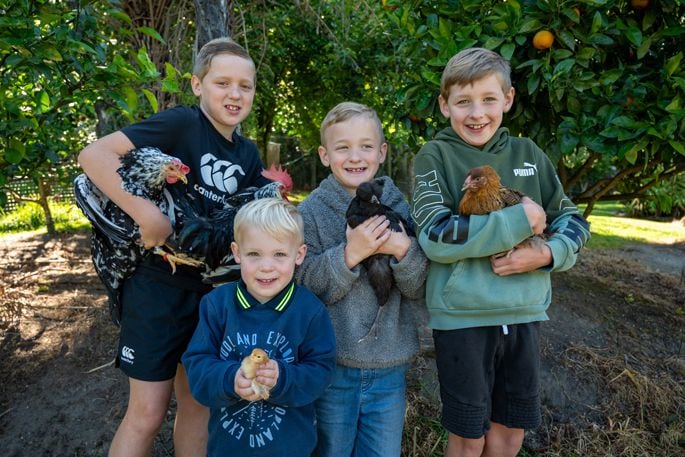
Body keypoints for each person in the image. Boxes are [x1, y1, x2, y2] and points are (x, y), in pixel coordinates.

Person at [78, 38, 271, 457]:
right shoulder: (183, 124)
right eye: (222, 83)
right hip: (156, 286)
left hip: (208, 294)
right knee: (147, 412)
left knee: (198, 404)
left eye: (246, 86)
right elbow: (94, 155)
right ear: (198, 85)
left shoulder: (248, 154)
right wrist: (146, 213)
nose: (235, 94)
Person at [410, 47, 591, 457]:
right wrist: (521, 222)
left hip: (524, 312)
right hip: (463, 317)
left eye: (489, 99)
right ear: (444, 105)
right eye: (463, 102)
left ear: (507, 99)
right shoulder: (434, 156)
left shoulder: (529, 155)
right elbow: (437, 236)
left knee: (509, 434)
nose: (477, 113)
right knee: (469, 437)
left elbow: (572, 220)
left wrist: (546, 255)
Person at [296, 101, 428, 456]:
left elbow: (418, 287)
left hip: (389, 370)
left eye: (366, 146)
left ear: (382, 152)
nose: (355, 156)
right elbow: (302, 287)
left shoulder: (400, 208)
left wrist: (403, 249)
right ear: (325, 155)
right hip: (330, 368)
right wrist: (349, 255)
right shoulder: (309, 213)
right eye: (343, 148)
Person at [182, 197, 336, 456]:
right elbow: (197, 367)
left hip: (291, 448)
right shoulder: (217, 305)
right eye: (254, 254)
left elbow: (321, 371)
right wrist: (230, 379)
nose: (266, 266)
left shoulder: (309, 311)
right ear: (237, 252)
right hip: (228, 449)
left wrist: (283, 378)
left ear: (299, 255)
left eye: (279, 254)